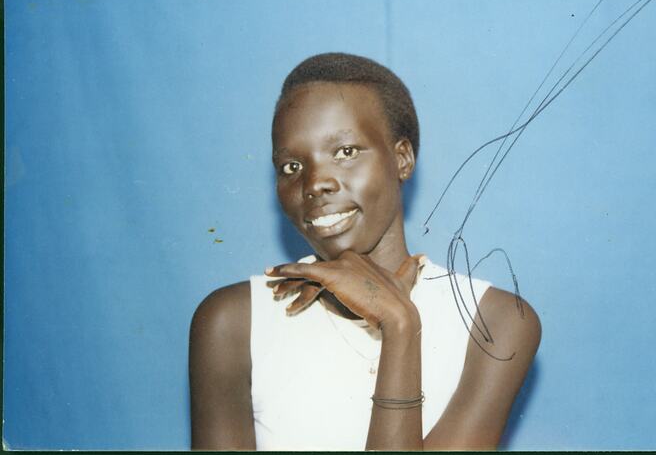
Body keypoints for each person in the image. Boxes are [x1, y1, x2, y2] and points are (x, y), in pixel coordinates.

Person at [188, 52, 541, 450]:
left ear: (402, 159)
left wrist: (400, 325)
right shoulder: (233, 321)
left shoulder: (493, 322)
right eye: (291, 167)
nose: (315, 183)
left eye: (345, 152)